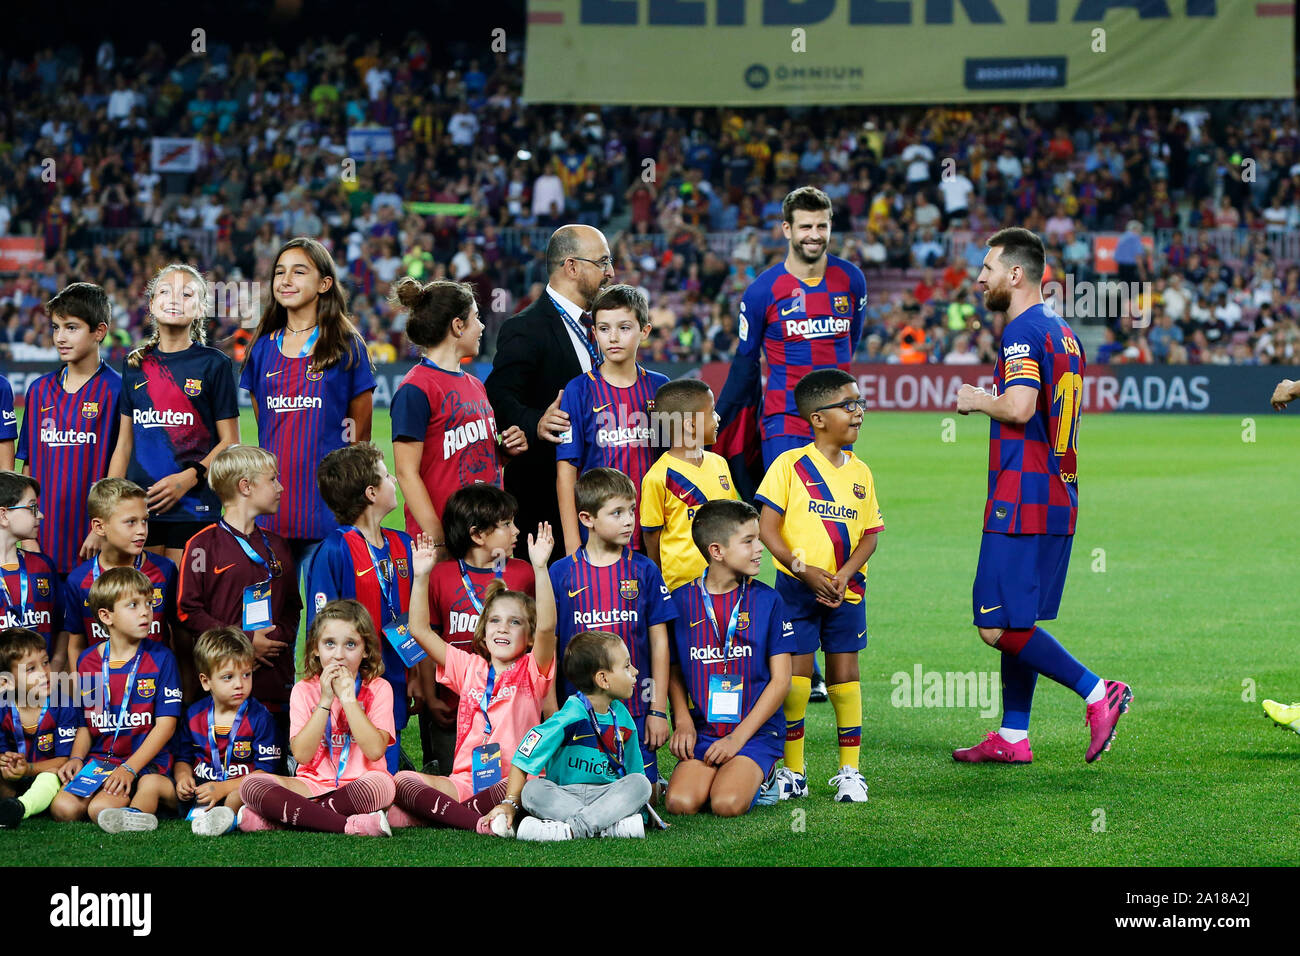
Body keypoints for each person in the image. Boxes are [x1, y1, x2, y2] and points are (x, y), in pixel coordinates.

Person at [954, 226, 1131, 765]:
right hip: (1059, 493)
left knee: (992, 626)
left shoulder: (1022, 330)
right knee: (1017, 621)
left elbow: (1020, 407)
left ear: (1016, 274)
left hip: (1022, 497)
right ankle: (1012, 736)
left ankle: (1099, 691)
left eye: (988, 268)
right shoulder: (1063, 331)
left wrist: (976, 398)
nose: (979, 278)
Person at [714, 186, 867, 702]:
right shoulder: (762, 292)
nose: (813, 235)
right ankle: (801, 654)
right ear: (786, 230)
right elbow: (743, 360)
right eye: (804, 226)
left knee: (837, 525)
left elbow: (854, 341)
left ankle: (828, 642)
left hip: (840, 421)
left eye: (821, 225)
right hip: (784, 422)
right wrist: (721, 413)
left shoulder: (852, 281)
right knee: (788, 529)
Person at [755, 369, 882, 803]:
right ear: (818, 417)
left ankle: (850, 771)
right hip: (795, 588)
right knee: (797, 678)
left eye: (860, 403)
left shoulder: (863, 472)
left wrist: (844, 574)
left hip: (847, 589)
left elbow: (871, 534)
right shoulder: (788, 465)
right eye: (849, 405)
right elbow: (767, 526)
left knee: (845, 675)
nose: (859, 412)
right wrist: (801, 568)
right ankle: (794, 770)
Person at [391, 527, 555, 833]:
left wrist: (541, 568)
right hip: (467, 781)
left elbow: (547, 628)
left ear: (529, 638)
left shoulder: (533, 670)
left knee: (403, 812)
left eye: (514, 622)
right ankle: (480, 820)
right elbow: (419, 630)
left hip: (516, 782)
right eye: (495, 620)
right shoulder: (469, 668)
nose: (502, 628)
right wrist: (421, 575)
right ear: (483, 629)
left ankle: (460, 814)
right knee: (402, 781)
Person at [239, 237, 376, 572]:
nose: (286, 280)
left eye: (299, 272)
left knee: (329, 617)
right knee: (271, 620)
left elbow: (360, 436)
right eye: (280, 272)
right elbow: (266, 429)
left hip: (329, 508)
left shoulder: (347, 345)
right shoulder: (261, 349)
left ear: (324, 283)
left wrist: (352, 496)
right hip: (273, 509)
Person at [487, 224, 615, 560]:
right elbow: (498, 398)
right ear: (571, 267)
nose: (611, 272)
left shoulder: (600, 327)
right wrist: (535, 423)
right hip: (545, 501)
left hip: (600, 495)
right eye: (602, 262)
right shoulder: (525, 327)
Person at [663, 500, 794, 817]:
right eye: (748, 541)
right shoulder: (680, 601)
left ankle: (766, 776)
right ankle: (723, 774)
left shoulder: (769, 600)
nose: (759, 548)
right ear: (717, 551)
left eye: (758, 538)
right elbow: (674, 669)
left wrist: (737, 739)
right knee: (680, 803)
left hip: (754, 734)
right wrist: (681, 720)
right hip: (705, 730)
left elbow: (781, 681)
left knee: (726, 804)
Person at [549, 468, 673, 793]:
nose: (629, 520)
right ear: (587, 518)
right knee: (579, 787)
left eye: (631, 510)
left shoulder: (645, 570)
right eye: (617, 513)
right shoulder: (561, 574)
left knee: (644, 797)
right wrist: (550, 706)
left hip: (636, 709)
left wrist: (658, 710)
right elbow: (550, 646)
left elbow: (660, 643)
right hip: (577, 709)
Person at [107, 263, 240, 567]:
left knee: (182, 604)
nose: (174, 299)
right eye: (165, 292)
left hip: (194, 506)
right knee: (144, 601)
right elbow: (124, 444)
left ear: (200, 308)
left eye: (186, 293)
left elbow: (230, 442)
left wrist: (187, 479)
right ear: (151, 305)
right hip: (140, 505)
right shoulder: (135, 364)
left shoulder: (214, 364)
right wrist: (109, 506)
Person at [176, 446, 301, 760]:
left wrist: (276, 639)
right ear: (245, 487)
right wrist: (245, 643)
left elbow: (292, 607)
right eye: (272, 480)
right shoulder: (202, 545)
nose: (281, 487)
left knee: (273, 767)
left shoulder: (280, 545)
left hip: (273, 677)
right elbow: (187, 611)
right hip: (225, 683)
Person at [390, 276, 528, 554]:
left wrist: (504, 453)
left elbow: (469, 457)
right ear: (457, 325)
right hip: (446, 541)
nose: (481, 326)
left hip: (487, 537)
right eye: (476, 317)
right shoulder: (416, 388)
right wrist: (438, 537)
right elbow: (406, 473)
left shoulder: (476, 384)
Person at [234, 600, 395, 836]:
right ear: (316, 649)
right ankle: (348, 824)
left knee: (383, 786)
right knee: (251, 785)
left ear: (366, 650)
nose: (339, 655)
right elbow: (302, 755)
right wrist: (325, 701)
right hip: (311, 785)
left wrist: (348, 699)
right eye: (330, 644)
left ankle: (286, 818)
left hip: (360, 787)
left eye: (350, 644)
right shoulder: (303, 689)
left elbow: (374, 751)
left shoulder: (379, 688)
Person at [305, 443, 413, 773]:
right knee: (351, 771)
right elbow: (321, 626)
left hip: (397, 673)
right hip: (353, 681)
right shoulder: (335, 550)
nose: (393, 479)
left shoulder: (403, 544)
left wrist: (418, 674)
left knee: (385, 764)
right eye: (385, 475)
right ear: (370, 492)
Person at [485, 630, 652, 841]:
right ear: (603, 679)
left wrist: (645, 811)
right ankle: (607, 827)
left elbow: (634, 773)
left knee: (641, 784)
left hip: (606, 796)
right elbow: (523, 756)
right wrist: (510, 802)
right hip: (564, 796)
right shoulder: (569, 716)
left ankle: (566, 830)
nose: (635, 671)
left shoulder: (623, 718)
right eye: (627, 666)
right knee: (533, 790)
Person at [50, 568, 180, 833]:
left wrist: (130, 769)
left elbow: (166, 726)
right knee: (64, 808)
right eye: (133, 605)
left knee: (100, 809)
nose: (145, 611)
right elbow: (88, 722)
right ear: (106, 616)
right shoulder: (88, 661)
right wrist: (76, 757)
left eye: (149, 603)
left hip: (143, 761)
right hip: (101, 760)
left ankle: (140, 799)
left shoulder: (162, 658)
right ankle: (122, 795)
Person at [422, 484, 536, 775]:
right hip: (453, 708)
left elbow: (538, 645)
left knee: (510, 783)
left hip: (512, 712)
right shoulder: (440, 575)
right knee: (458, 783)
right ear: (477, 534)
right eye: (507, 524)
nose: (516, 531)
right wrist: (429, 696)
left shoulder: (523, 573)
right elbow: (428, 639)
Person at [19, 282, 122, 577]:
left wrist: (103, 529)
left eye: (71, 328)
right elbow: (27, 467)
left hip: (94, 540)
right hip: (41, 541)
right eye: (55, 328)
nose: (60, 338)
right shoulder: (39, 391)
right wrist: (27, 534)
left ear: (99, 331)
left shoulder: (117, 390)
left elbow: (122, 468)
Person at [555, 285, 667, 555]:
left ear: (645, 331)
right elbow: (566, 471)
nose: (613, 337)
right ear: (594, 333)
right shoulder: (579, 390)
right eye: (604, 329)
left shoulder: (660, 388)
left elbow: (672, 462)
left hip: (652, 531)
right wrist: (572, 544)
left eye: (624, 328)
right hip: (597, 536)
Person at [62, 478, 178, 681]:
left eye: (145, 520)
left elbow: (179, 635)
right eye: (131, 522)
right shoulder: (78, 580)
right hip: (101, 691)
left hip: (154, 688)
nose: (142, 530)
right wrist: (81, 694)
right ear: (99, 527)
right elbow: (76, 643)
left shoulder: (164, 570)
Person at [173, 627, 281, 836]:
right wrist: (183, 778)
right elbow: (182, 758)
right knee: (158, 786)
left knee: (239, 796)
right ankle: (136, 814)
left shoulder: (261, 718)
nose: (239, 684)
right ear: (206, 681)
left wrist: (224, 788)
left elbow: (266, 773)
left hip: (238, 788)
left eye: (246, 674)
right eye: (228, 677)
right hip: (202, 790)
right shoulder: (194, 714)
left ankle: (223, 820)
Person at [640, 379, 739, 592]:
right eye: (712, 412)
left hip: (727, 582)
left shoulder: (720, 463)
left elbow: (733, 519)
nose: (718, 417)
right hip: (682, 591)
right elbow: (651, 536)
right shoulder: (658, 477)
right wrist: (661, 585)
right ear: (690, 425)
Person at [0, 627, 81, 829]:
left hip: (47, 778)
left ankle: (21, 808)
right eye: (31, 669)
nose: (44, 672)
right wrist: (7, 763)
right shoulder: (3, 708)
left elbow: (65, 760)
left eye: (45, 663)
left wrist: (29, 769)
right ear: (5, 682)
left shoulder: (64, 705)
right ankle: (8, 805)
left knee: (52, 775)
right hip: (13, 777)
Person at [0, 472, 68, 672]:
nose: (40, 515)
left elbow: (63, 623)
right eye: (32, 508)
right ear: (3, 515)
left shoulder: (43, 566)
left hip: (42, 689)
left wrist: (56, 662)